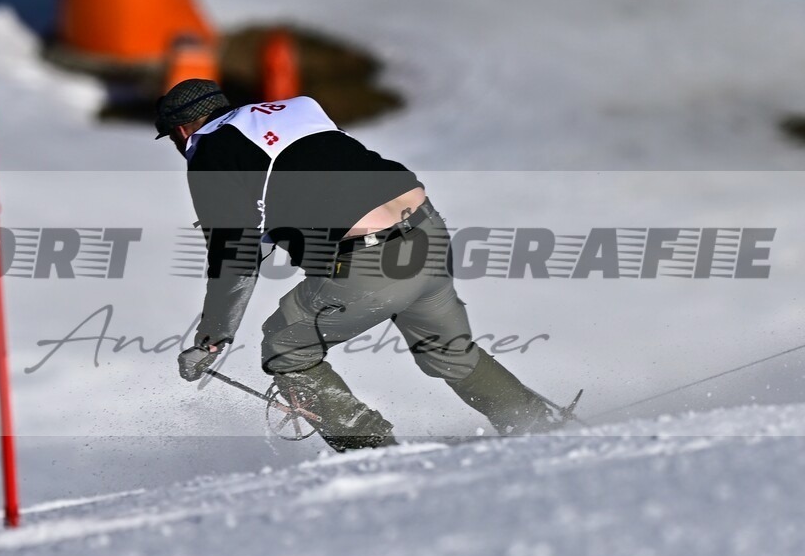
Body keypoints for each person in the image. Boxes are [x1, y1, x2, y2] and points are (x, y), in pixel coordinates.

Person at [158, 79, 566, 452]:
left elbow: (236, 259)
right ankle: (536, 422)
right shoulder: (298, 107)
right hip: (427, 229)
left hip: (369, 258)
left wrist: (212, 338)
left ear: (181, 131)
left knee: (285, 348)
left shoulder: (209, 154)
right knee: (449, 354)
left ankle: (371, 453)